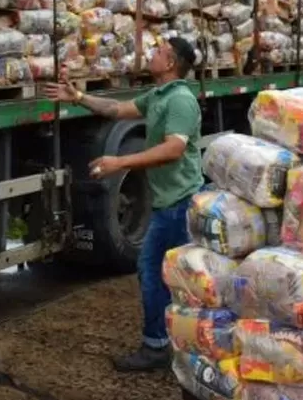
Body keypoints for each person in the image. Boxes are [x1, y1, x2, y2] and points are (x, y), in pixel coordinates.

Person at [45, 37, 205, 372]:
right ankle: (179, 340)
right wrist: (78, 98)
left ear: (171, 62)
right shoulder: (159, 95)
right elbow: (117, 110)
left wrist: (121, 162)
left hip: (178, 203)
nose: (151, 55)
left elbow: (173, 149)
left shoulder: (180, 100)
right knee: (171, 275)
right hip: (167, 202)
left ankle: (159, 345)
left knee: (154, 270)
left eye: (158, 52)